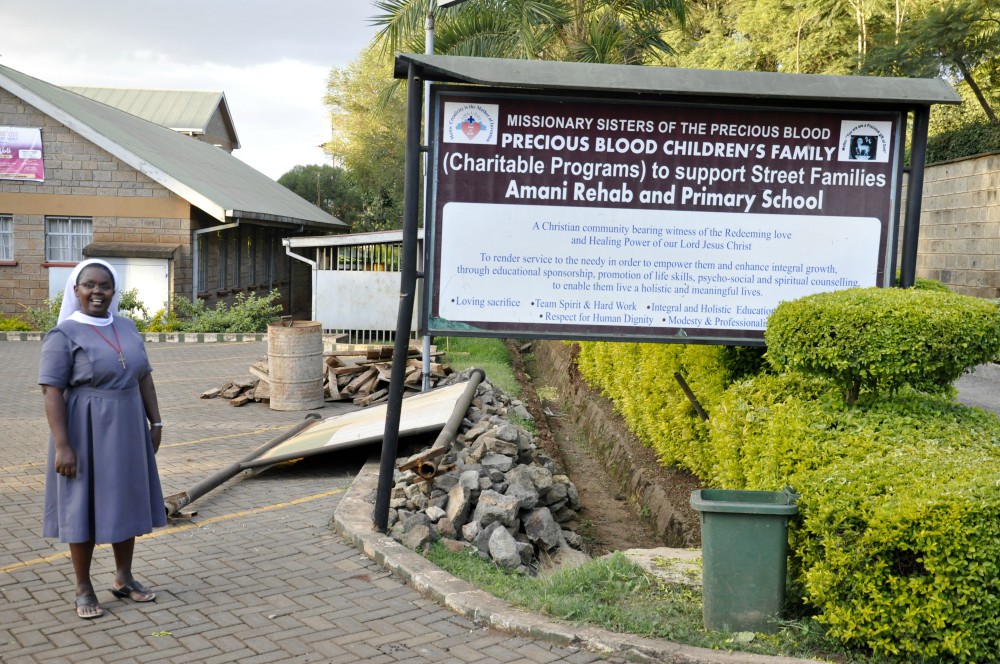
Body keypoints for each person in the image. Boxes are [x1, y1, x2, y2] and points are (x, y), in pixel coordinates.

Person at [39, 258, 166, 619]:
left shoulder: (127, 327)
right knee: (84, 505)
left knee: (126, 498)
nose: (98, 291)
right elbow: (51, 392)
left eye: (105, 285)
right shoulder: (63, 334)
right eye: (89, 285)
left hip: (127, 426)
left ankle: (123, 578)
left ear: (114, 290)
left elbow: (144, 378)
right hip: (85, 429)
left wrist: (155, 424)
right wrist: (63, 446)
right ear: (76, 290)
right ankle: (83, 587)